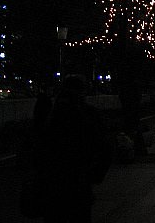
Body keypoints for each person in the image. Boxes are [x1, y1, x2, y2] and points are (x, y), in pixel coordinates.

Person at [33, 75, 112, 223]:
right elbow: (105, 147)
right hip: (80, 181)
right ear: (83, 91)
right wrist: (95, 174)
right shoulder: (89, 114)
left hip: (52, 183)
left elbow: (36, 145)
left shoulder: (51, 114)